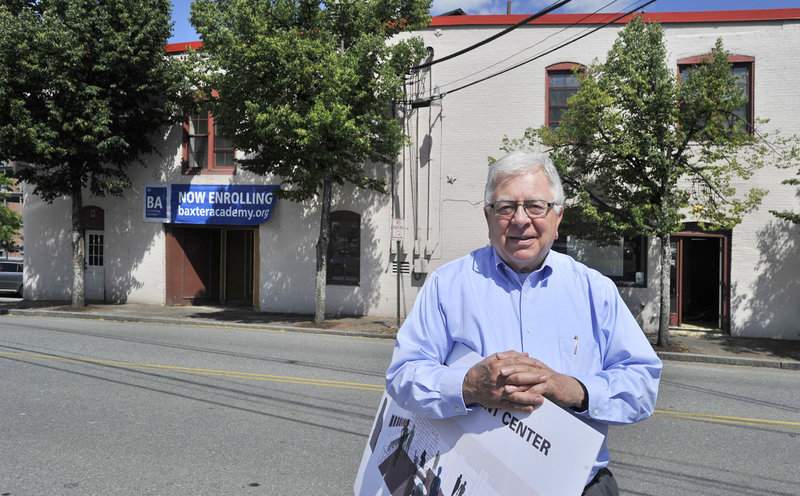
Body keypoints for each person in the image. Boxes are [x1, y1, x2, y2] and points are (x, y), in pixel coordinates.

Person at [385, 150, 662, 495]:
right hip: (469, 484)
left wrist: (571, 388)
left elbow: (642, 384)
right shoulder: (447, 285)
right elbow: (402, 375)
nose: (520, 219)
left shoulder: (595, 291)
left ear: (558, 215)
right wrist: (468, 386)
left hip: (578, 486)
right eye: (505, 207)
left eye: (535, 205)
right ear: (488, 216)